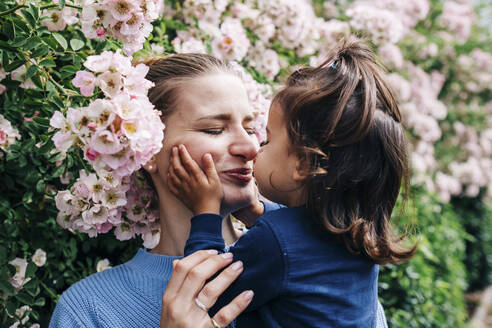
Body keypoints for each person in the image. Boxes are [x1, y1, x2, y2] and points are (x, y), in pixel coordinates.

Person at [49, 53, 390, 328]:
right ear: (146, 148)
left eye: (254, 128)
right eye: (214, 129)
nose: (250, 146)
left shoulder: (327, 277)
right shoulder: (90, 311)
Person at [167, 38, 416, 327]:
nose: (254, 148)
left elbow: (206, 295)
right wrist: (257, 212)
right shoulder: (358, 237)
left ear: (302, 164)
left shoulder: (275, 241)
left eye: (269, 139)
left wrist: (206, 212)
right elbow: (307, 241)